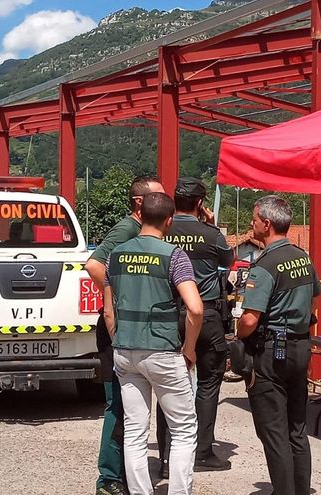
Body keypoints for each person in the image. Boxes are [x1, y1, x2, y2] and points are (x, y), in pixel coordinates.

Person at [104, 192, 203, 495]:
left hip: (125, 350)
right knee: (183, 429)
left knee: (135, 431)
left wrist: (119, 340)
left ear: (141, 215)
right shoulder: (173, 256)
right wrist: (189, 349)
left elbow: (108, 312)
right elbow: (196, 308)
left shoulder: (115, 255)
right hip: (162, 350)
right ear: (169, 220)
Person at [85, 175, 165, 495]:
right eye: (159, 197)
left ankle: (123, 475)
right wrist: (119, 298)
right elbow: (93, 265)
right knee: (118, 405)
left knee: (132, 407)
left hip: (133, 331)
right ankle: (108, 478)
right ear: (139, 203)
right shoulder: (127, 229)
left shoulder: (146, 233)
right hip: (117, 330)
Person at [236, 195, 321, 495]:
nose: (251, 224)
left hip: (271, 352)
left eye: (254, 219)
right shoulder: (302, 257)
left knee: (273, 432)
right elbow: (315, 298)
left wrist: (238, 335)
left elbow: (250, 319)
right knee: (296, 428)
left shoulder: (265, 265)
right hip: (299, 347)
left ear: (267, 223)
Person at [157, 177, 234, 476]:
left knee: (167, 385)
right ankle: (202, 452)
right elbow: (229, 260)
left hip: (168, 315)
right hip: (207, 314)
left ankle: (167, 457)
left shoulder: (162, 231)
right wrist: (211, 225)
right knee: (208, 383)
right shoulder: (211, 234)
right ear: (200, 204)